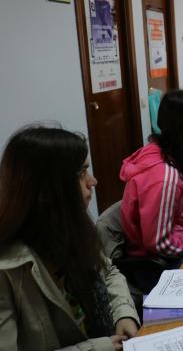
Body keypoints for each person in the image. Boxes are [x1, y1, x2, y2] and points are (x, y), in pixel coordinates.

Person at [0, 126, 139, 351]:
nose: (93, 181)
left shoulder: (70, 229)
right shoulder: (7, 269)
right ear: (49, 187)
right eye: (82, 173)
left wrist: (124, 315)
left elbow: (108, 272)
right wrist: (97, 347)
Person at [120, 90, 183, 258]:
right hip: (152, 260)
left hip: (172, 239)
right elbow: (160, 244)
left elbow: (169, 210)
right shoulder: (165, 176)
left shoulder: (157, 150)